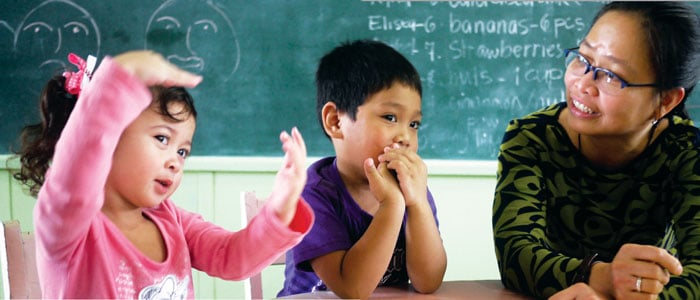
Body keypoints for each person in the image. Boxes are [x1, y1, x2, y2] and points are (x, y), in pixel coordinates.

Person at [11, 50, 314, 298]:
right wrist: (116, 80)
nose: (175, 161)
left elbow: (232, 257)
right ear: (108, 137)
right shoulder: (69, 226)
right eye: (162, 139)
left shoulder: (172, 221)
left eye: (183, 151)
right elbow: (73, 173)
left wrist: (281, 208)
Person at [492, 2, 700, 299]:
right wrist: (602, 277)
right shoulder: (532, 137)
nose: (583, 84)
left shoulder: (688, 152)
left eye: (611, 76)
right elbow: (516, 256)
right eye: (582, 59)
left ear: (665, 101)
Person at [277, 39, 446, 299]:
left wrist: (418, 203)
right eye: (390, 117)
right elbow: (351, 288)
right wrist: (391, 204)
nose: (405, 137)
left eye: (414, 124)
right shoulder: (312, 195)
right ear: (335, 122)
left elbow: (428, 281)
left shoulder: (411, 189)